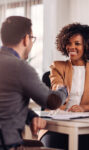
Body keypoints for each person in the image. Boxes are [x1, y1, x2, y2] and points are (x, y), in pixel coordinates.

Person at [0, 16, 68, 150]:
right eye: (32, 39)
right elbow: (52, 101)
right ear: (26, 39)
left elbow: (6, 105)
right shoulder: (19, 67)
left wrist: (31, 116)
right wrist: (63, 90)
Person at [40, 23, 89, 150]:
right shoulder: (57, 66)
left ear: (87, 45)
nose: (71, 47)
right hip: (57, 124)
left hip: (84, 127)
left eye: (77, 44)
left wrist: (83, 108)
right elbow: (56, 85)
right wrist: (61, 91)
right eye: (69, 43)